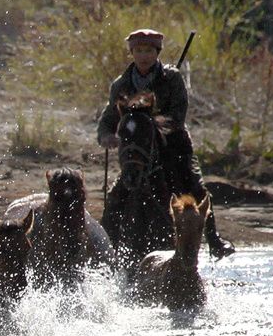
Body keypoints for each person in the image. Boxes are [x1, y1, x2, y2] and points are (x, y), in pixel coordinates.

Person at [96, 28, 235, 259]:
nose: (144, 56)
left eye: (148, 51)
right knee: (115, 196)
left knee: (195, 188)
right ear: (132, 53)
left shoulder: (172, 78)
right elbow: (108, 120)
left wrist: (153, 123)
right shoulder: (120, 85)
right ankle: (105, 247)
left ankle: (214, 240)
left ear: (157, 52)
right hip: (137, 151)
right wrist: (106, 136)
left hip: (173, 146)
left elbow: (178, 116)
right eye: (139, 51)